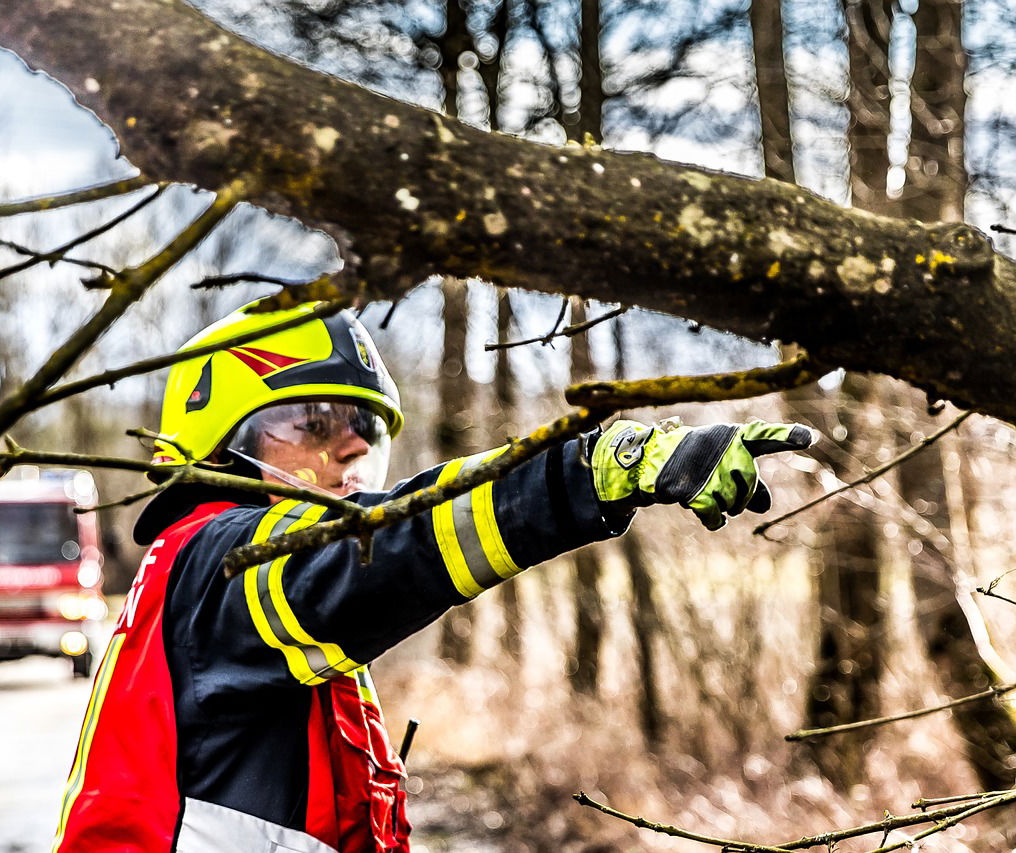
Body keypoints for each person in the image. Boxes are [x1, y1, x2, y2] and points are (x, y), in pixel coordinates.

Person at [51, 299, 814, 853]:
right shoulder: (224, 562)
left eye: (364, 431)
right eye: (315, 422)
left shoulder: (196, 576)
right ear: (220, 445)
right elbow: (393, 548)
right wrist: (590, 472)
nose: (349, 450)